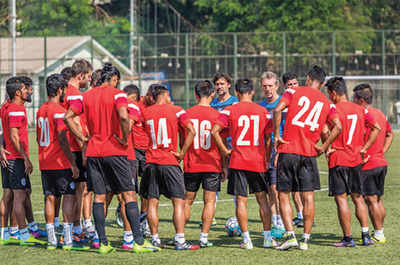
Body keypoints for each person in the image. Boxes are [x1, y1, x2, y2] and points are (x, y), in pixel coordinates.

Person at [65, 62, 159, 254]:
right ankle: (139, 242)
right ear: (114, 79)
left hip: (93, 152)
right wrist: (124, 138)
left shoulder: (86, 96)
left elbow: (68, 117)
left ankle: (103, 243)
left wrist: (83, 138)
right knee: (128, 195)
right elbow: (124, 117)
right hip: (115, 151)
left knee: (99, 197)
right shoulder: (118, 94)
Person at [273, 65, 342, 250]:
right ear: (323, 83)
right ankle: (305, 239)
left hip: (288, 150)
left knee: (283, 194)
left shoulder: (293, 91)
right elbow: (338, 126)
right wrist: (324, 147)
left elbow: (278, 109)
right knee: (308, 196)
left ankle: (290, 236)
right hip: (309, 153)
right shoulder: (327, 103)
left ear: (308, 78)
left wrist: (276, 135)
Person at [212, 78, 275, 250]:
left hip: (238, 160)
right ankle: (268, 239)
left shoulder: (229, 110)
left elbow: (214, 131)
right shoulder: (263, 111)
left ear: (237, 93)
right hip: (257, 161)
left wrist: (225, 151)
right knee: (263, 199)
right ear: (253, 92)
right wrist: (266, 156)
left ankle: (247, 240)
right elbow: (269, 137)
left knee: (241, 201)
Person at [140, 84, 199, 250]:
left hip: (151, 161)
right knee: (178, 201)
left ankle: (155, 239)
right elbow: (192, 131)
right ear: (165, 94)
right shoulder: (177, 110)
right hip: (169, 160)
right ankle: (180, 240)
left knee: (152, 201)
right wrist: (182, 153)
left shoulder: (146, 112)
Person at [325, 77, 380, 247]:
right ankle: (365, 236)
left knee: (341, 199)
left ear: (334, 93)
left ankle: (348, 238)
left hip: (339, 158)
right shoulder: (360, 109)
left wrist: (327, 146)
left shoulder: (332, 109)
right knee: (358, 198)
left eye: (328, 94)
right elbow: (376, 127)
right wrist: (365, 148)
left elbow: (326, 129)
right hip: (356, 159)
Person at [37, 74, 90, 250]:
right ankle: (68, 239)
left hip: (44, 162)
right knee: (69, 197)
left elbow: (38, 138)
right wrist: (73, 164)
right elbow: (62, 139)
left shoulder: (40, 110)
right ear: (60, 90)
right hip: (59, 162)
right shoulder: (59, 111)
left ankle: (52, 240)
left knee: (50, 198)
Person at [0, 77, 45, 246]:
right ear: (18, 92)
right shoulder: (16, 109)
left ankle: (4, 234)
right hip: (15, 158)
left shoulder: (5, 107)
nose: (29, 91)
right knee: (19, 197)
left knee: (7, 196)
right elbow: (13, 135)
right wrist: (26, 159)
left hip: (7, 158)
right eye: (26, 89)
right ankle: (24, 235)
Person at [183, 80, 227, 248]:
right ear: (212, 94)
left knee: (186, 201)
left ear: (195, 95)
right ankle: (203, 237)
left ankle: (180, 235)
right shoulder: (218, 115)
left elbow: (183, 140)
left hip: (191, 163)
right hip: (212, 163)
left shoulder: (187, 114)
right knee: (209, 201)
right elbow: (221, 142)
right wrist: (224, 166)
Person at [353, 84, 394, 243]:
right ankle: (379, 231)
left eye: (354, 98)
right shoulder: (380, 114)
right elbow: (390, 134)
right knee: (377, 199)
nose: (352, 100)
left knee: (370, 200)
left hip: (368, 164)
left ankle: (378, 234)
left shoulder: (362, 115)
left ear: (361, 100)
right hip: (380, 163)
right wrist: (382, 151)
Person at [62, 59, 94, 243]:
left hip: (67, 147)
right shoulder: (74, 94)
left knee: (76, 190)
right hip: (74, 147)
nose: (88, 80)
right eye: (88, 77)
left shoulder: (65, 90)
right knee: (78, 190)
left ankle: (75, 227)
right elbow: (72, 120)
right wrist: (82, 142)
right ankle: (75, 228)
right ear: (80, 75)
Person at [258, 72, 285, 237]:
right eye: (265, 86)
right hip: (263, 150)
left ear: (277, 86)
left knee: (276, 188)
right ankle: (275, 222)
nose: (267, 89)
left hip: (279, 150)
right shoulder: (260, 107)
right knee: (268, 189)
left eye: (270, 86)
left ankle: (281, 221)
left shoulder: (283, 104)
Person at [210, 73, 239, 226]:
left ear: (229, 85)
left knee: (234, 182)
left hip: (231, 147)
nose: (219, 86)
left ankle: (237, 215)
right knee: (214, 182)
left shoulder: (235, 103)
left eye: (222, 83)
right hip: (216, 148)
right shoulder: (212, 103)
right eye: (217, 84)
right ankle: (211, 216)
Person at [282, 72, 304, 227]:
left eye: (295, 83)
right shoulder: (284, 102)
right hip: (288, 147)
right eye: (290, 85)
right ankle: (301, 215)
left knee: (300, 187)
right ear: (285, 87)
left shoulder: (303, 101)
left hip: (300, 148)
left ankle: (304, 215)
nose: (293, 87)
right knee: (294, 187)